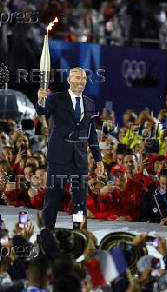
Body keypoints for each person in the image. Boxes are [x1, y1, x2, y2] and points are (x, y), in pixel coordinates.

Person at [36, 67, 104, 230]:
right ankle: (46, 236)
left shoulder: (90, 103)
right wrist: (40, 100)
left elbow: (91, 133)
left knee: (80, 204)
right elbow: (42, 110)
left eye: (83, 78)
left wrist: (98, 158)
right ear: (69, 80)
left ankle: (79, 235)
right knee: (52, 201)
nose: (81, 81)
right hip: (58, 159)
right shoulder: (56, 99)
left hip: (79, 161)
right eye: (77, 77)